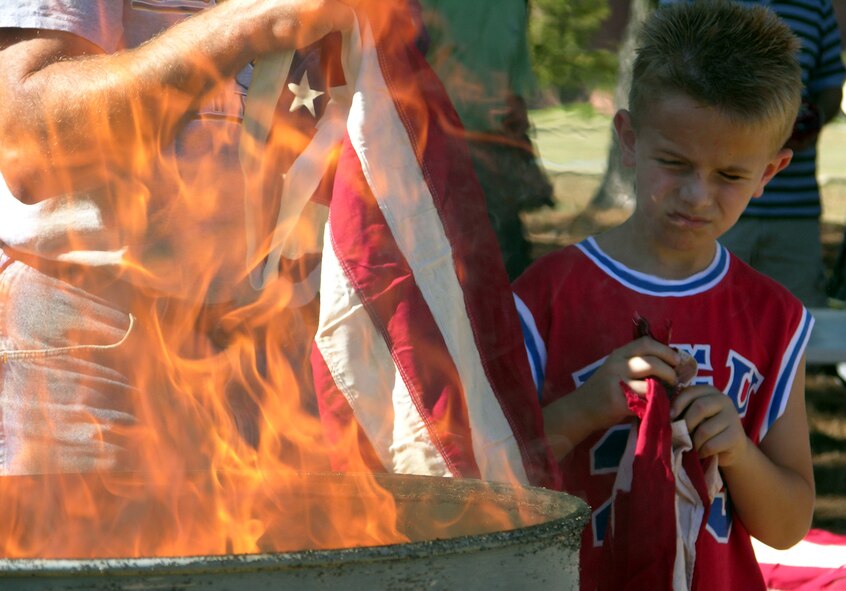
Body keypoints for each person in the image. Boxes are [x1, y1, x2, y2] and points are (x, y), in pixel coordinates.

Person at [514, 2, 815, 589]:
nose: (699, 195)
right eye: (674, 163)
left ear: (770, 173)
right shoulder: (542, 299)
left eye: (730, 175)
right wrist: (587, 408)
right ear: (628, 140)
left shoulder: (776, 318)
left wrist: (739, 454)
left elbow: (789, 525)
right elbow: (485, 484)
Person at [0, 1, 354, 476]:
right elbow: (28, 142)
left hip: (272, 332)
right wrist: (247, 22)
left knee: (296, 548)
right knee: (98, 548)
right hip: (97, 333)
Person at [715, 0, 846, 308]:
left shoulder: (816, 7)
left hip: (794, 208)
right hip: (712, 201)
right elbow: (662, 73)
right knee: (706, 319)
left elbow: (830, 83)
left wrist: (810, 121)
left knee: (800, 325)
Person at [416, 0, 553, 280]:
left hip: (495, 141)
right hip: (440, 140)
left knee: (506, 249)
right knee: (452, 251)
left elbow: (516, 59)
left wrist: (517, 103)